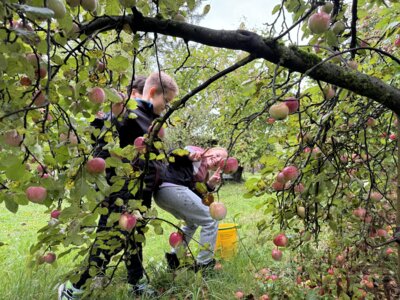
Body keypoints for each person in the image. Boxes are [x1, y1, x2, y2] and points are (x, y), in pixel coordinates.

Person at [58, 72, 178, 299]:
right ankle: (73, 288)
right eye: (167, 100)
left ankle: (137, 284)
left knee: (135, 240)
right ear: (152, 93)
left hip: (140, 194)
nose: (168, 106)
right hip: (121, 192)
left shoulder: (151, 120)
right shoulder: (129, 113)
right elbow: (100, 140)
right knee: (109, 241)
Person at [154, 146, 228, 270]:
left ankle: (175, 258)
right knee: (211, 219)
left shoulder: (204, 173)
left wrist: (209, 185)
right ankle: (204, 264)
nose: (217, 160)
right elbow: (172, 154)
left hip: (164, 194)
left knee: (192, 222)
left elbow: (195, 197)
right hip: (171, 188)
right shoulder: (196, 153)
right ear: (209, 151)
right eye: (217, 155)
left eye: (221, 161)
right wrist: (189, 156)